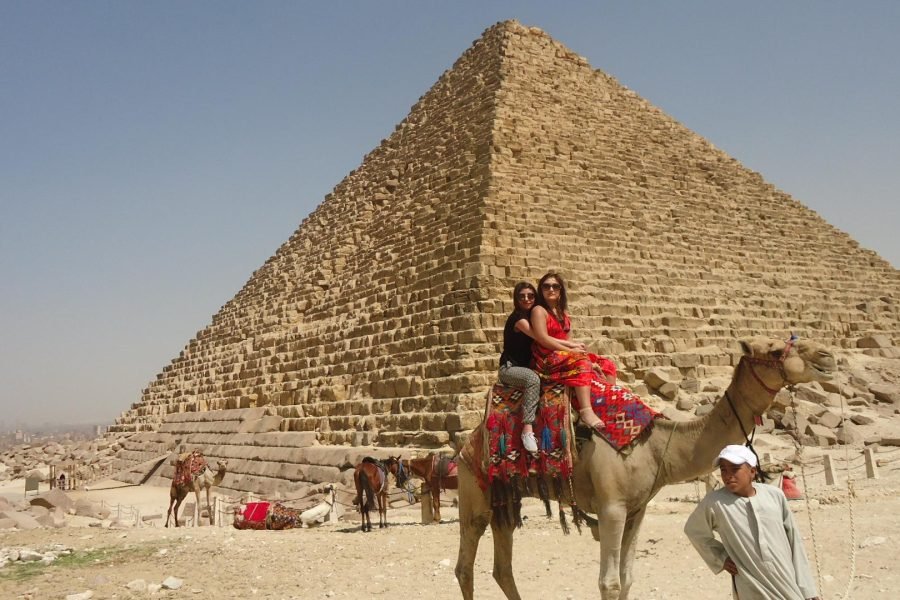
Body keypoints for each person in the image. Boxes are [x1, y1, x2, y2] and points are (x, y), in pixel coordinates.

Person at [684, 444, 820, 600]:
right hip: (751, 584)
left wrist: (809, 591)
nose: (728, 475)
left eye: (734, 469)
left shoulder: (774, 496)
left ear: (752, 472)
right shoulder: (715, 502)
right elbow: (694, 530)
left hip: (786, 580)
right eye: (723, 470)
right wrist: (721, 557)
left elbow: (794, 542)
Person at [529, 272, 616, 433]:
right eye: (546, 286)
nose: (551, 289)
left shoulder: (563, 313)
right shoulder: (539, 310)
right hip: (546, 357)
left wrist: (578, 349)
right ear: (541, 289)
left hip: (563, 353)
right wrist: (573, 351)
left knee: (607, 364)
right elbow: (542, 339)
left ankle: (606, 404)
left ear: (561, 290)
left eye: (555, 286)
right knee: (581, 361)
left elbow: (568, 339)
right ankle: (586, 411)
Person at [498, 282, 541, 453]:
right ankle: (527, 429)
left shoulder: (533, 317)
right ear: (516, 299)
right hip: (509, 369)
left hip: (527, 366)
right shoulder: (519, 319)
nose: (527, 299)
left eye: (531, 296)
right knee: (532, 379)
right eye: (522, 296)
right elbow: (541, 337)